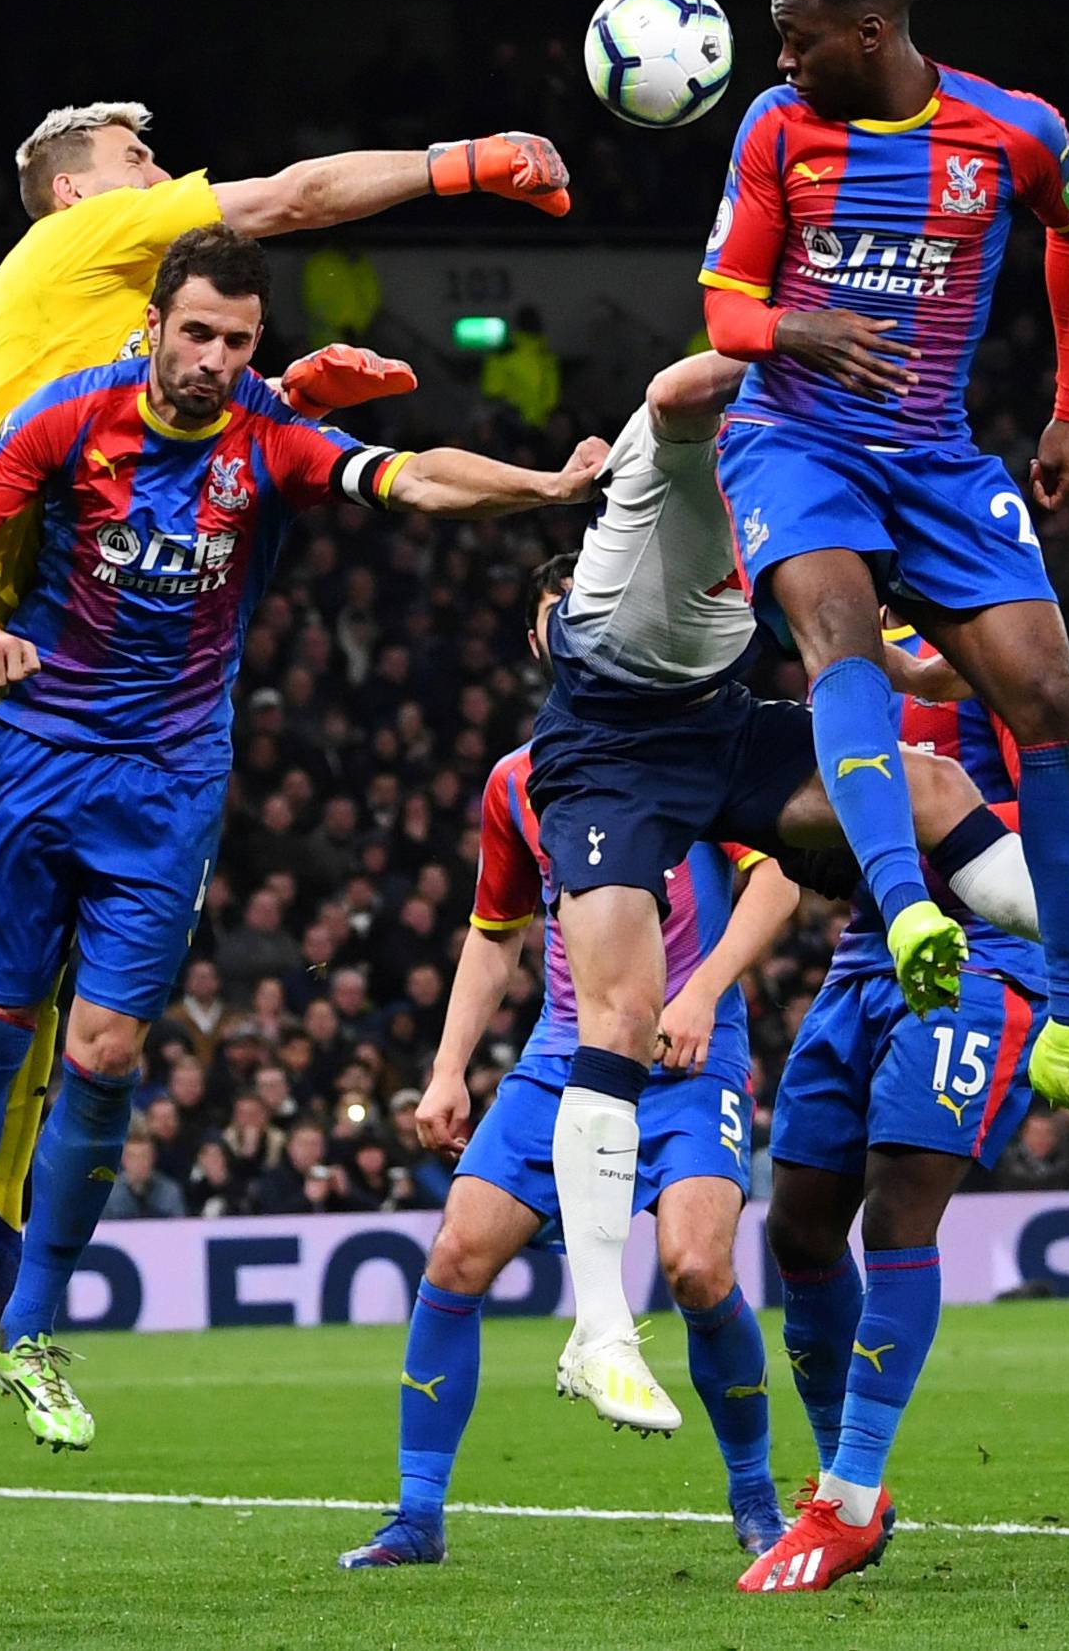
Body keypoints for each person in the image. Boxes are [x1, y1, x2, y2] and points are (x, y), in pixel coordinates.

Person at [531, 349, 1069, 1436]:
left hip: (716, 725)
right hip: (607, 742)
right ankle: (597, 1329)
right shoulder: (704, 445)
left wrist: (956, 654)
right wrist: (785, 345)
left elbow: (892, 663)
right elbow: (668, 392)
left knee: (932, 785)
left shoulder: (808, 494)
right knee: (624, 1011)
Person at [0, 225, 605, 1450]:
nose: (213, 358)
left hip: (167, 782)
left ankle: (30, 1328)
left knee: (103, 1054)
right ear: (152, 325)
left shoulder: (268, 435)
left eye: (238, 340)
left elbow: (411, 477)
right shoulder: (70, 415)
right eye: (195, 332)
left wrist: (547, 486)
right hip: (37, 752)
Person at [699, 0, 1069, 1168]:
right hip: (794, 443)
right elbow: (727, 306)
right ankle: (906, 906)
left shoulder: (1009, 129)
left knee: (1052, 698)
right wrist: (800, 330)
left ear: (872, 31)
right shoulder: (775, 131)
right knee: (838, 642)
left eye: (798, 40)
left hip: (935, 457)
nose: (780, 60)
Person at [339, 559, 802, 1571]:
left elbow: (776, 888)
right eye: (560, 616)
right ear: (544, 642)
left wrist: (702, 989)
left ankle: (757, 1498)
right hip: (561, 1058)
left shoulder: (705, 747)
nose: (576, 627)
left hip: (689, 1057)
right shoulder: (522, 776)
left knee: (698, 1268)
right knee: (457, 1255)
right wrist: (450, 1065)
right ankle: (417, 1514)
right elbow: (493, 932)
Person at [740, 622, 1049, 1594]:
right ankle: (846, 1479)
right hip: (867, 946)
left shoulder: (986, 640)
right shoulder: (840, 650)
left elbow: (1049, 800)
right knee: (797, 1223)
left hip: (976, 942)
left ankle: (850, 1494)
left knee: (898, 1210)